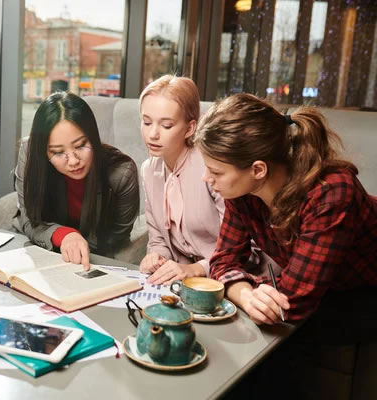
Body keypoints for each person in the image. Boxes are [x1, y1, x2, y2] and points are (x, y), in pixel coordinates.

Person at [194, 93, 377, 325]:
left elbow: (292, 301)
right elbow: (222, 261)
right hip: (326, 290)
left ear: (258, 169)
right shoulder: (243, 191)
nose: (205, 178)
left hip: (365, 292)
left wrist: (246, 290)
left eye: (216, 172)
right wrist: (247, 296)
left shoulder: (331, 194)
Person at [13, 91, 139, 269]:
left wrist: (78, 247)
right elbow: (28, 218)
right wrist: (64, 235)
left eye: (80, 146)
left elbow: (117, 237)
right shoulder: (30, 153)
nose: (73, 161)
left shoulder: (121, 172)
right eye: (57, 152)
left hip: (91, 260)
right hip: (40, 248)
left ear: (93, 138)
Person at [138, 75, 225, 285]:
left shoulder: (212, 169)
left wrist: (197, 268)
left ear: (189, 128)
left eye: (166, 125)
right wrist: (156, 258)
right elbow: (158, 237)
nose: (153, 134)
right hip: (178, 282)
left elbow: (243, 245)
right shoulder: (149, 170)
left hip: (224, 277)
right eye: (146, 122)